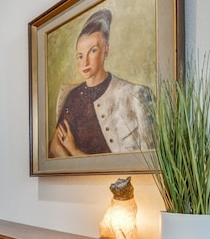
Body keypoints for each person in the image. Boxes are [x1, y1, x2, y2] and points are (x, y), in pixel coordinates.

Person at [49, 9, 153, 158]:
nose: (85, 62)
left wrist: (74, 152)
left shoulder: (135, 95)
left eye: (93, 51)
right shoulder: (71, 97)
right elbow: (55, 148)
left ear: (106, 50)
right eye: (80, 56)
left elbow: (150, 161)